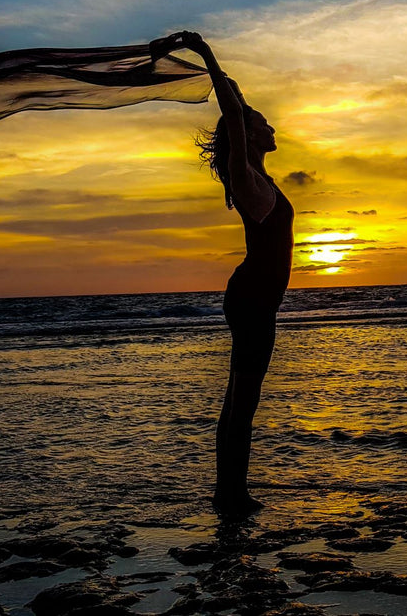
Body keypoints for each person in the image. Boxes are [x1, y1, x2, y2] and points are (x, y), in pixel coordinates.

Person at [151, 31, 293, 515]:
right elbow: (234, 113)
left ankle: (226, 492)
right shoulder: (244, 175)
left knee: (237, 397)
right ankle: (232, 496)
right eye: (263, 123)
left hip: (254, 297)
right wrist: (203, 51)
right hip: (253, 299)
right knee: (243, 402)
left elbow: (239, 105)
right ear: (250, 134)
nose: (271, 126)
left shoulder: (256, 173)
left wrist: (221, 72)